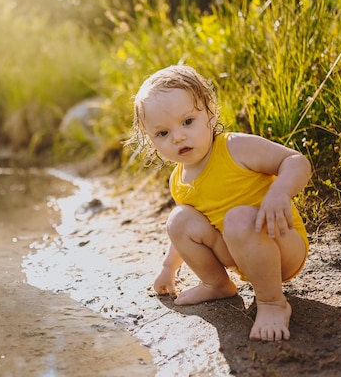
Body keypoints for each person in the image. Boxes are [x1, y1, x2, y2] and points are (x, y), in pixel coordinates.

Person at [130, 64, 311, 341]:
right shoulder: (178, 180)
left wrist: (280, 192)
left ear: (210, 115)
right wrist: (169, 267)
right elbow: (183, 235)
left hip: (281, 244)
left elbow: (295, 161)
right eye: (163, 133)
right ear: (151, 141)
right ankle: (217, 284)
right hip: (241, 257)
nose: (178, 136)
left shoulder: (234, 148)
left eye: (187, 122)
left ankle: (273, 302)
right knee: (179, 220)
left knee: (238, 219)